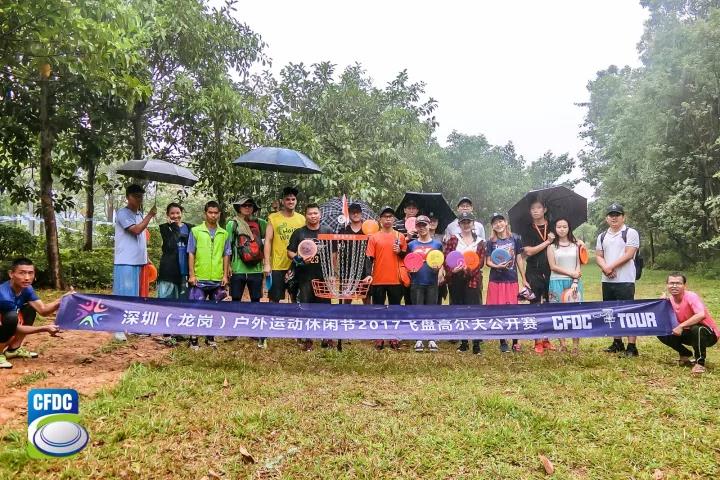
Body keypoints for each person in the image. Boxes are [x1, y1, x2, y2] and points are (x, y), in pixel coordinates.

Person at [0, 258, 65, 368]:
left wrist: (62, 300)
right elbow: (16, 328)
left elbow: (43, 310)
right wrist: (44, 328)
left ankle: (13, 349)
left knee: (30, 308)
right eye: (22, 273)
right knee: (11, 318)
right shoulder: (4, 295)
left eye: (30, 273)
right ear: (11, 274)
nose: (27, 278)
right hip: (6, 321)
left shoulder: (27, 288)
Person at [262, 187, 305, 349]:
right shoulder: (273, 218)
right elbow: (268, 241)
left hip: (296, 266)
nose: (290, 201)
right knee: (274, 299)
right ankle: (266, 333)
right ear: (282, 201)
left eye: (293, 199)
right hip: (277, 265)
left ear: (296, 201)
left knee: (296, 299)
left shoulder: (301, 219)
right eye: (287, 199)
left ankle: (298, 334)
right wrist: (267, 263)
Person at [287, 203, 334, 351]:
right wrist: (299, 258)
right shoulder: (299, 233)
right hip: (304, 276)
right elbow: (290, 252)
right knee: (305, 307)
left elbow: (334, 253)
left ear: (320, 215)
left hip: (323, 276)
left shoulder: (327, 231)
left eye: (315, 213)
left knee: (325, 307)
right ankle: (308, 338)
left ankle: (326, 337)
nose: (313, 216)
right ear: (305, 215)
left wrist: (332, 273)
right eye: (310, 213)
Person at [595, 203, 640, 356]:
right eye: (611, 215)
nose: (614, 218)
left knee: (628, 312)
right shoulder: (602, 236)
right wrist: (605, 268)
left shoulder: (630, 232)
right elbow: (599, 256)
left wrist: (610, 267)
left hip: (625, 279)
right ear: (607, 218)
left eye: (617, 215)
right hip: (607, 280)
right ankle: (617, 342)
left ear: (623, 217)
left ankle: (632, 346)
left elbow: (629, 254)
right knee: (611, 312)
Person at [113, 184, 156, 341]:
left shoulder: (139, 214)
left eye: (141, 196)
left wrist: (147, 258)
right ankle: (118, 328)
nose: (139, 199)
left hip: (139, 261)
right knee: (123, 295)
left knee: (135, 297)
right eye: (136, 196)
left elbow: (141, 239)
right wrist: (150, 215)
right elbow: (136, 230)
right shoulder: (123, 213)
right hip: (125, 261)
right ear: (128, 197)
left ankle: (131, 326)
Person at [187, 201, 231, 350]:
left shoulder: (224, 233)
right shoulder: (195, 231)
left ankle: (210, 337)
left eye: (216, 213)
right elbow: (191, 253)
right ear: (205, 213)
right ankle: (193, 338)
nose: (213, 215)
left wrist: (225, 275)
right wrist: (192, 274)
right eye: (210, 212)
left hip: (217, 277)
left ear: (219, 214)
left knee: (214, 309)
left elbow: (226, 255)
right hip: (200, 277)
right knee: (196, 308)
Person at [657, 273, 718, 375]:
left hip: (708, 334)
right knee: (661, 331)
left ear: (684, 286)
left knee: (697, 329)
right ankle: (685, 354)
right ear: (667, 285)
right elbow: (663, 319)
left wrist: (681, 326)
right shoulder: (669, 300)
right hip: (688, 333)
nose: (674, 286)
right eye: (671, 283)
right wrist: (661, 304)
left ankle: (700, 363)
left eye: (678, 283)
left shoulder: (691, 296)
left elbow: (701, 315)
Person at [485, 212, 529, 353]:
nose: (498, 224)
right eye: (495, 222)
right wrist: (496, 266)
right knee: (498, 311)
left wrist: (524, 278)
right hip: (496, 281)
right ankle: (502, 341)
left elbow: (519, 259)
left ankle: (515, 341)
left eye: (500, 221)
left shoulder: (515, 238)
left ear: (506, 222)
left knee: (513, 310)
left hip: (511, 280)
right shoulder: (490, 242)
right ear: (492, 226)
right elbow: (488, 261)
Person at [443, 212, 486, 354]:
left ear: (473, 223)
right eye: (463, 222)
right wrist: (453, 270)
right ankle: (463, 342)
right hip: (456, 280)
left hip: (473, 280)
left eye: (468, 222)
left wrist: (467, 270)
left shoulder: (480, 242)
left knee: (474, 310)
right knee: (459, 309)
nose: (466, 224)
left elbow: (480, 262)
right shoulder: (453, 239)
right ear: (459, 224)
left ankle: (476, 344)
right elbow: (446, 258)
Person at [366, 206, 407, 350]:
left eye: (390, 217)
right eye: (385, 217)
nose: (388, 219)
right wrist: (368, 274)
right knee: (378, 309)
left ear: (394, 219)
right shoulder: (374, 237)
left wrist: (400, 251)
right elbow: (369, 258)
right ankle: (379, 337)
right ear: (380, 219)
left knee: (395, 309)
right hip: (378, 279)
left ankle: (393, 336)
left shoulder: (400, 236)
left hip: (396, 279)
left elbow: (406, 257)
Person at [522, 198, 556, 354]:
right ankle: (537, 341)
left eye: (538, 208)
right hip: (533, 270)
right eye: (532, 208)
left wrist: (580, 243)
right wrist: (547, 242)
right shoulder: (527, 229)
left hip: (551, 270)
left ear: (545, 209)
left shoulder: (554, 226)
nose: (535, 211)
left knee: (549, 304)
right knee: (535, 304)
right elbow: (528, 251)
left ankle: (547, 339)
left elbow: (566, 239)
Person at [547, 218, 584, 354]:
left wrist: (575, 280)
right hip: (556, 281)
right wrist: (571, 273)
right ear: (555, 229)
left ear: (569, 228)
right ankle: (562, 344)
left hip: (574, 283)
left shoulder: (576, 245)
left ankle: (575, 346)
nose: (562, 229)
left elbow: (578, 265)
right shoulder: (551, 247)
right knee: (558, 313)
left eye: (564, 226)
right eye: (559, 227)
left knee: (576, 314)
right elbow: (553, 266)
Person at [407, 216, 443, 352]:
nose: (422, 228)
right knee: (418, 310)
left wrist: (440, 272)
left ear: (429, 226)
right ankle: (419, 338)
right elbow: (407, 262)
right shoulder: (411, 245)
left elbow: (441, 262)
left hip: (432, 281)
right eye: (419, 225)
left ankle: (431, 338)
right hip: (416, 282)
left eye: (424, 225)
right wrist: (410, 270)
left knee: (431, 310)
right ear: (416, 227)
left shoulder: (437, 244)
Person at [227, 197, 266, 304]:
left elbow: (269, 240)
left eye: (250, 205)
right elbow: (228, 246)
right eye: (244, 205)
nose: (247, 207)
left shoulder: (261, 223)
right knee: (235, 300)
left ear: (253, 208)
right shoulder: (232, 224)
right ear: (239, 208)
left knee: (256, 301)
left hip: (256, 269)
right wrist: (228, 266)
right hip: (237, 269)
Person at [428, 213, 448, 305]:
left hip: (438, 271)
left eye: (434, 221)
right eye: (430, 221)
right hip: (425, 271)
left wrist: (442, 271)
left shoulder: (442, 238)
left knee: (437, 300)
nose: (432, 223)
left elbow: (444, 255)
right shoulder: (419, 237)